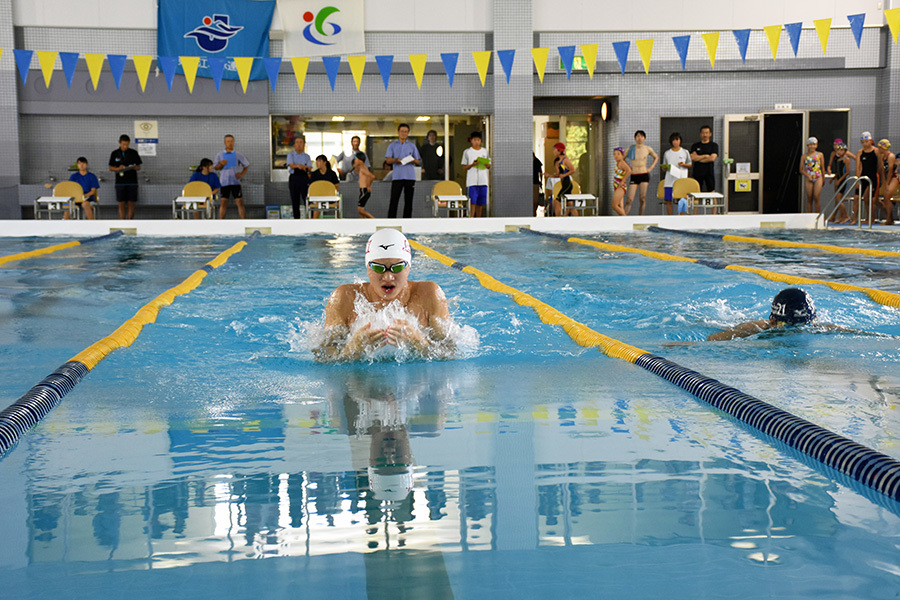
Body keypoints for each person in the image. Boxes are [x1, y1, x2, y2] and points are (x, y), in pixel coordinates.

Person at [314, 228, 451, 362]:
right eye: (378, 268)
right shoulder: (345, 297)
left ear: (408, 267)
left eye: (397, 267)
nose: (388, 277)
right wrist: (352, 349)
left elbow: (452, 351)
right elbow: (321, 355)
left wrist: (420, 343)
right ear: (368, 268)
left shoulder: (430, 295)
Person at [707, 288, 818, 341]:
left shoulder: (814, 328)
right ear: (773, 322)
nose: (798, 330)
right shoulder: (752, 330)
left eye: (805, 324)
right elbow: (713, 339)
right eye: (789, 326)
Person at [385, 123, 421, 218]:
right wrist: (396, 160)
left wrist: (412, 160)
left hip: (410, 177)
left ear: (408, 133)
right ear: (398, 132)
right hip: (397, 177)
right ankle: (391, 221)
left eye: (406, 132)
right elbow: (388, 160)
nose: (403, 134)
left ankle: (407, 221)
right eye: (402, 131)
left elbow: (418, 161)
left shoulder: (412, 146)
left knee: (409, 201)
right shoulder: (392, 146)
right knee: (394, 200)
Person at [214, 134, 250, 219]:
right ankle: (221, 221)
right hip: (224, 182)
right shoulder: (220, 155)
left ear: (234, 142)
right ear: (224, 142)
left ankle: (243, 220)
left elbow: (246, 165)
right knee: (223, 202)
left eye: (231, 141)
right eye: (228, 141)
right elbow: (215, 167)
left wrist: (241, 174)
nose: (230, 143)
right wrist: (221, 164)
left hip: (235, 182)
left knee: (239, 201)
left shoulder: (238, 154)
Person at [624, 130, 658, 215]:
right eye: (638, 136)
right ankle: (623, 217)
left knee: (642, 198)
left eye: (641, 136)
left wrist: (650, 168)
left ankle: (641, 216)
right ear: (635, 138)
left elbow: (656, 157)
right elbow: (622, 159)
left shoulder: (647, 148)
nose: (639, 138)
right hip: (634, 174)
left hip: (644, 174)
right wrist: (629, 168)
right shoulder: (630, 148)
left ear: (644, 138)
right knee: (629, 199)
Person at [108, 134, 141, 220]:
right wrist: (118, 168)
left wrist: (132, 167)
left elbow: (138, 167)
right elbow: (110, 167)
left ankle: (130, 220)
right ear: (119, 143)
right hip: (120, 182)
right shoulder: (114, 153)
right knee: (121, 202)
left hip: (132, 181)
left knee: (131, 202)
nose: (125, 146)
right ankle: (122, 220)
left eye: (127, 144)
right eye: (123, 144)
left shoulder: (133, 153)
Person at [853, 131, 882, 225]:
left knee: (871, 199)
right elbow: (858, 167)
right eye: (863, 142)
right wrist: (857, 180)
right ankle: (854, 219)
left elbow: (880, 166)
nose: (865, 144)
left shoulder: (876, 151)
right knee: (856, 198)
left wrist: (881, 179)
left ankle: (871, 218)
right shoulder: (860, 152)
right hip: (863, 177)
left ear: (870, 141)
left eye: (866, 141)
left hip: (873, 177)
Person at [461, 131, 491, 218]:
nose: (476, 142)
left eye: (478, 140)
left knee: (480, 202)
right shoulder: (467, 152)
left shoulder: (485, 151)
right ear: (471, 141)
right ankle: (471, 218)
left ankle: (478, 219)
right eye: (475, 140)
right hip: (472, 181)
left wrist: (485, 164)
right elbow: (464, 166)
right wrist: (472, 164)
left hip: (483, 180)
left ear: (481, 141)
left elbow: (489, 166)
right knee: (472, 202)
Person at [662, 132, 691, 216]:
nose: (675, 142)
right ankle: (670, 216)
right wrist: (665, 167)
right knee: (669, 200)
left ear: (680, 141)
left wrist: (683, 164)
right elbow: (664, 166)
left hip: (681, 179)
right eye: (673, 140)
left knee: (681, 200)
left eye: (677, 140)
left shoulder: (685, 152)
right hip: (669, 179)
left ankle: (680, 216)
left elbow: (690, 164)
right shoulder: (667, 153)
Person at [547, 142, 577, 217]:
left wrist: (564, 175)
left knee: (556, 201)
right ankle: (576, 219)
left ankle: (560, 219)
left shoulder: (565, 160)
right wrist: (549, 175)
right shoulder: (559, 161)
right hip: (564, 183)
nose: (553, 151)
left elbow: (573, 170)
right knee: (570, 204)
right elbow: (558, 175)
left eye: (555, 150)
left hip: (567, 184)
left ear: (559, 151)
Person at [286, 135, 312, 219]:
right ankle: (296, 219)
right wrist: (301, 166)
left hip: (304, 178)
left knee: (306, 199)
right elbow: (292, 166)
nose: (299, 144)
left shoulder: (307, 156)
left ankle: (309, 217)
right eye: (297, 142)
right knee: (295, 200)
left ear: (304, 145)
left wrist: (300, 166)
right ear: (294, 145)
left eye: (301, 142)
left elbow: (310, 167)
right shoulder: (291, 155)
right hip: (294, 178)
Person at [308, 154, 340, 219]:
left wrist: (333, 194)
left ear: (325, 162)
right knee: (316, 207)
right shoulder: (314, 174)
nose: (317, 163)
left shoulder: (332, 173)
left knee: (337, 205)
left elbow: (336, 186)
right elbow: (312, 187)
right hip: (318, 198)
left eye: (319, 161)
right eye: (316, 161)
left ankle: (338, 221)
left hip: (330, 197)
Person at [690, 125, 719, 194]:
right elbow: (693, 158)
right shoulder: (695, 145)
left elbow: (712, 158)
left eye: (706, 133)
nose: (705, 135)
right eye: (703, 133)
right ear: (700, 134)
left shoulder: (714, 145)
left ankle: (714, 205)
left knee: (712, 191)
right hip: (697, 172)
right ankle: (696, 205)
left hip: (709, 172)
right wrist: (705, 156)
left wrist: (699, 158)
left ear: (710, 134)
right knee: (696, 192)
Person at [830, 143, 853, 223]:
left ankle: (846, 216)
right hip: (839, 180)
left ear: (845, 151)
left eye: (841, 150)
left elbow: (847, 172)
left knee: (839, 199)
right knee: (838, 200)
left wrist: (839, 181)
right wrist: (834, 178)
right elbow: (838, 172)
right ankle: (841, 217)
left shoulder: (846, 159)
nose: (839, 151)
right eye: (838, 150)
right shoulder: (839, 159)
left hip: (844, 181)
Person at [800, 137, 825, 213]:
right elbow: (801, 169)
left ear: (816, 145)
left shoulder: (820, 155)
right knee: (809, 198)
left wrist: (823, 178)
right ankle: (810, 216)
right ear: (807, 145)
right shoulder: (804, 156)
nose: (812, 146)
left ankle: (817, 216)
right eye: (810, 144)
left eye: (814, 144)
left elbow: (822, 168)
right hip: (809, 177)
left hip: (818, 176)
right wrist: (807, 176)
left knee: (816, 197)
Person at [878, 139, 897, 225]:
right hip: (886, 178)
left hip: (893, 178)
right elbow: (882, 170)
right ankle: (890, 218)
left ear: (884, 147)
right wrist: (883, 182)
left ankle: (889, 219)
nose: (879, 149)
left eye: (880, 147)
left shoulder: (891, 156)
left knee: (887, 196)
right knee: (886, 198)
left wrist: (887, 183)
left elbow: (890, 171)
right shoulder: (882, 156)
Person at [354, 152, 376, 219]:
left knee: (360, 210)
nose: (355, 160)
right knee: (361, 212)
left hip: (364, 190)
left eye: (356, 158)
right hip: (362, 190)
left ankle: (374, 220)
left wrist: (368, 186)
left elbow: (372, 176)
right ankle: (364, 224)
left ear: (360, 160)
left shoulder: (363, 168)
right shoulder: (362, 168)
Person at [610, 147, 631, 216]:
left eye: (618, 154)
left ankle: (625, 219)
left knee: (614, 205)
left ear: (622, 155)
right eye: (614, 154)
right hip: (616, 185)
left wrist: (623, 180)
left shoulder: (622, 163)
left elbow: (629, 170)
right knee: (620, 206)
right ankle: (623, 221)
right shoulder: (618, 163)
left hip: (620, 186)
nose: (616, 156)